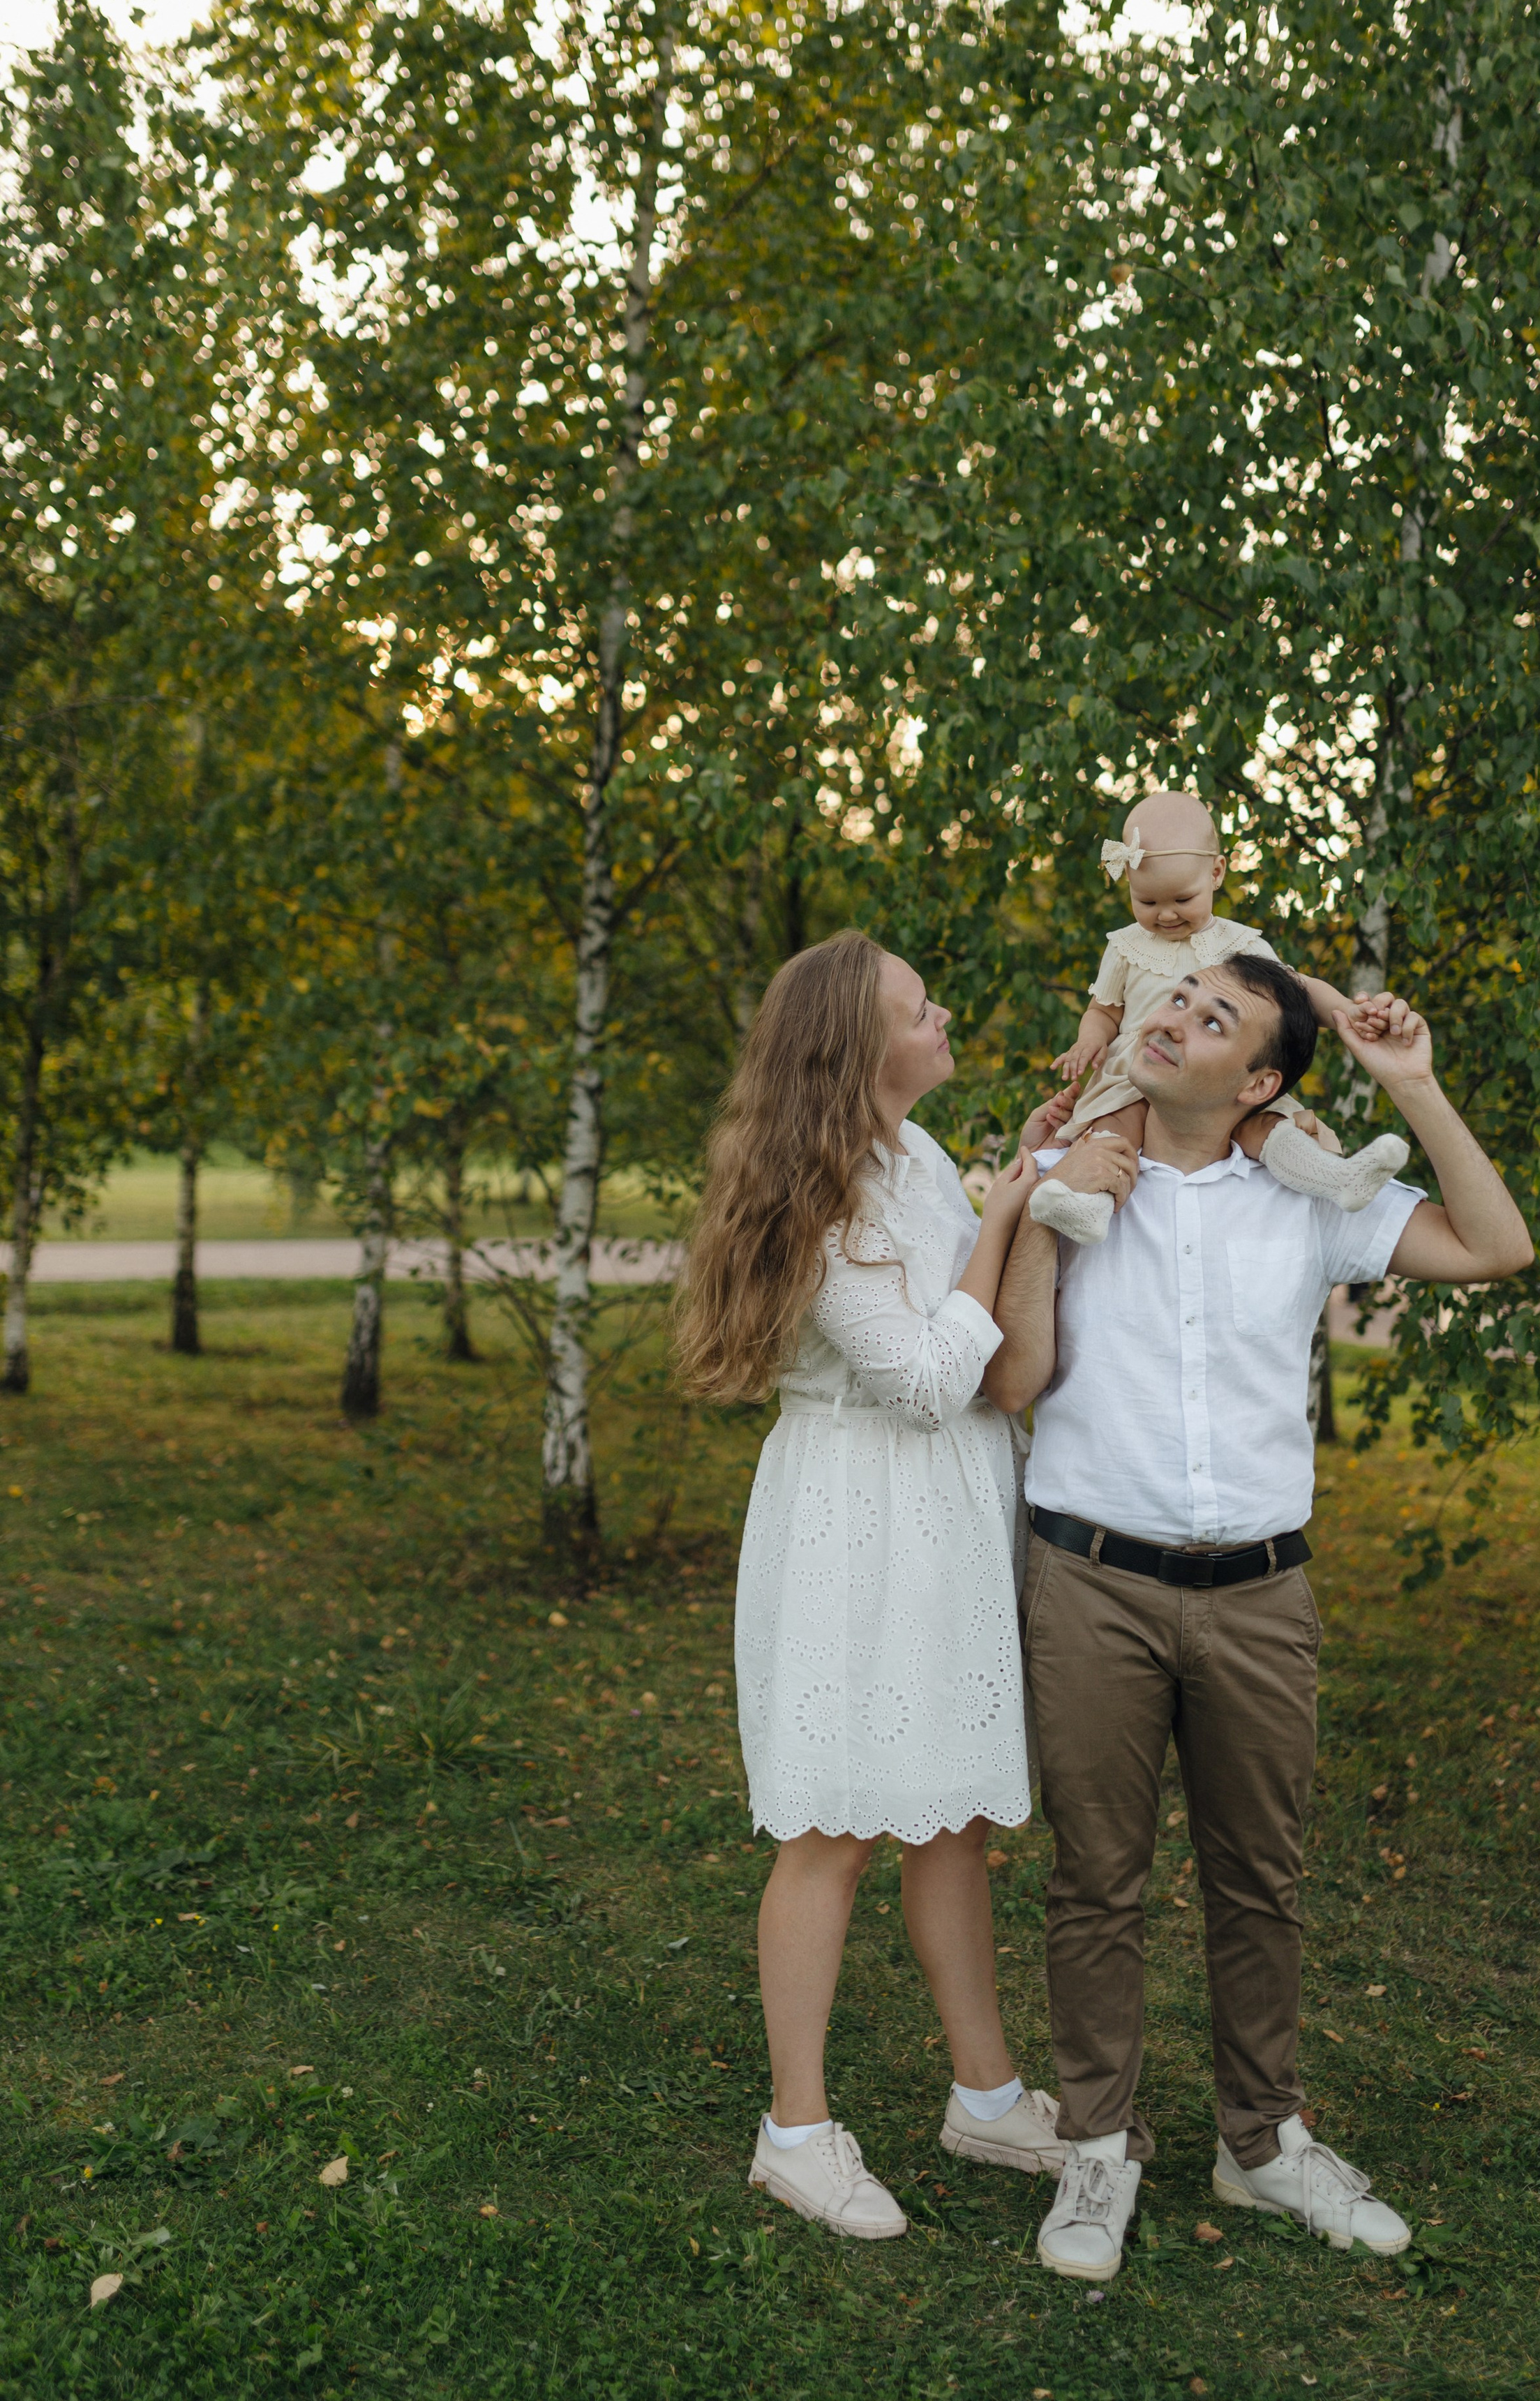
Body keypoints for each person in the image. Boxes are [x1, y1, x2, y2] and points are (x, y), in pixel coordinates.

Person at [985, 957, 1533, 2281]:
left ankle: (1263, 2139)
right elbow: (1013, 1381)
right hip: (1090, 1579)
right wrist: (1046, 1211)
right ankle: (1098, 2146)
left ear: (1266, 1080)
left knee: (1259, 1882)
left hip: (1261, 1594)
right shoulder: (1078, 1173)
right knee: (1096, 1882)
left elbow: (1496, 1244)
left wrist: (1415, 1086)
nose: (1172, 1020)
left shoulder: (1310, 1198)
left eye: (1213, 1018)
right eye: (1170, 1003)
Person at [677, 929, 1067, 2243]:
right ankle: (794, 2126)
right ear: (861, 1047)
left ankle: (988, 2092)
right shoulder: (823, 1190)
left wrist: (1012, 1177)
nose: (943, 1010)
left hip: (946, 1518)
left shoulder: (921, 1159)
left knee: (954, 1814)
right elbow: (918, 1375)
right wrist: (1007, 1212)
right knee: (833, 1826)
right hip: (854, 1522)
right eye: (921, 1004)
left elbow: (980, 1316)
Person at [1037, 788, 1409, 1241]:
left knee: (1264, 1126)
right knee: (1117, 1130)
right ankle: (1091, 1205)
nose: (1167, 914)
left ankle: (1338, 1178)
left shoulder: (1240, 945)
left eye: (1182, 899)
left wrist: (1349, 1014)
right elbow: (1104, 1009)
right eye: (1148, 903)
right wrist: (1089, 1039)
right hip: (1140, 1069)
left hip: (1222, 1080)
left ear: (1216, 873)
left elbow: (1300, 990)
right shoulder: (1125, 947)